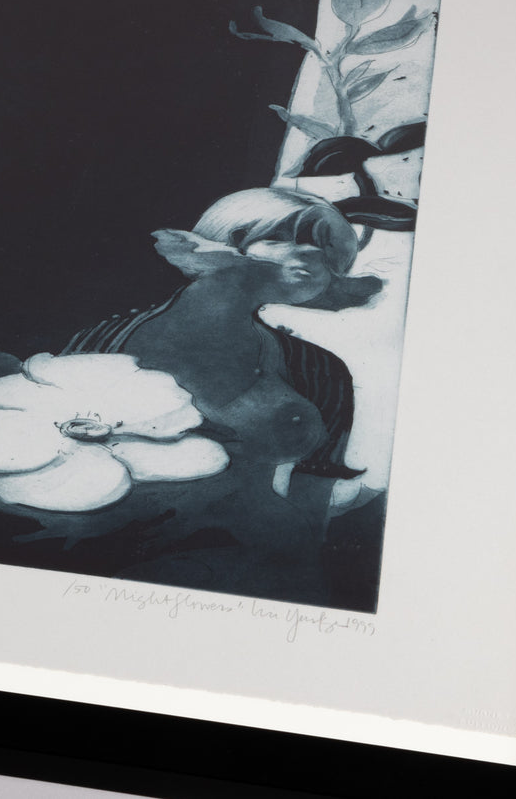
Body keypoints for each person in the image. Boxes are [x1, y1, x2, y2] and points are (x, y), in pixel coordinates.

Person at [66, 188, 385, 601]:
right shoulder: (106, 338)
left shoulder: (321, 371)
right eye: (281, 236)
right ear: (228, 239)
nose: (310, 254)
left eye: (327, 251)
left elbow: (313, 505)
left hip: (257, 566)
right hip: (103, 553)